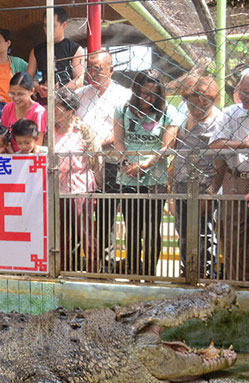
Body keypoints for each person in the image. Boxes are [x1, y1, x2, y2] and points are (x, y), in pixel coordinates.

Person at [114, 69, 179, 276]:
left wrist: (147, 163)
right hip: (128, 176)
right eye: (144, 92)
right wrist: (126, 163)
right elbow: (118, 140)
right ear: (136, 90)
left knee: (152, 228)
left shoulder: (169, 111)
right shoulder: (122, 108)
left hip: (154, 177)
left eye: (153, 94)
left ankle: (150, 272)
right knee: (131, 228)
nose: (147, 98)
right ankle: (133, 271)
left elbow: (167, 145)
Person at [74, 49, 132, 273]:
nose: (93, 73)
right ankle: (89, 260)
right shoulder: (80, 94)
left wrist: (99, 143)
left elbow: (124, 131)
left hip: (113, 162)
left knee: (112, 212)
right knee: (84, 213)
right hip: (85, 164)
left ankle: (110, 262)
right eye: (90, 68)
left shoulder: (124, 96)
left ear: (111, 70)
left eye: (98, 69)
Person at [209, 65, 249, 282]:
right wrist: (247, 144)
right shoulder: (231, 113)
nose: (242, 96)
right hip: (236, 181)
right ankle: (235, 284)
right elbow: (215, 144)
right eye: (241, 90)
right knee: (233, 237)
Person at [170, 75, 222, 277]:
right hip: (181, 181)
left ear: (213, 100)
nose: (197, 110)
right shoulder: (182, 115)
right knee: (182, 230)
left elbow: (221, 160)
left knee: (204, 231)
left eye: (202, 105)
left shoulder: (218, 120)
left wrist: (211, 191)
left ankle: (206, 272)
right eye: (192, 105)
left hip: (204, 184)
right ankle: (188, 269)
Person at [53, 88, 99, 272]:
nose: (53, 111)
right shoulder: (50, 131)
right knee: (60, 233)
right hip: (57, 188)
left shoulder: (82, 131)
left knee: (85, 231)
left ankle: (93, 271)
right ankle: (62, 269)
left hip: (78, 187)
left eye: (57, 108)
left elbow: (95, 160)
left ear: (70, 110)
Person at [26, 7, 85, 90]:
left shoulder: (75, 49)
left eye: (53, 26)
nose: (48, 30)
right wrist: (39, 87)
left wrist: (59, 91)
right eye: (46, 26)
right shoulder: (36, 50)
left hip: (66, 98)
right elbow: (27, 78)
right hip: (42, 98)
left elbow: (79, 80)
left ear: (64, 25)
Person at [1, 72, 47, 151]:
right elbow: (3, 137)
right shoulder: (8, 108)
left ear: (32, 91)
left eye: (20, 94)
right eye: (12, 93)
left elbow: (37, 144)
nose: (16, 98)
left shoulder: (38, 112)